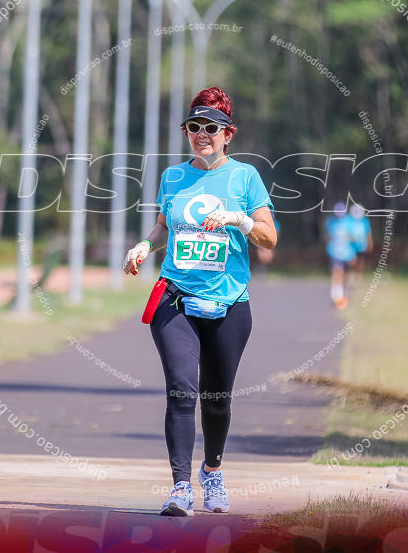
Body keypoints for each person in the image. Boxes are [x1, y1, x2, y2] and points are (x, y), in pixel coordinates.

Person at [123, 87, 277, 516]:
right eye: (194, 127)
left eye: (211, 127)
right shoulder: (173, 177)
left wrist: (238, 218)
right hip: (176, 296)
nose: (202, 134)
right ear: (186, 132)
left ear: (228, 134)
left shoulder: (245, 177)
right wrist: (143, 246)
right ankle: (179, 487)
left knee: (217, 398)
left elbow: (269, 238)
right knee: (180, 389)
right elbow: (162, 228)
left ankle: (212, 471)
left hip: (229, 303)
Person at [324, 202, 355, 309]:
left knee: (345, 275)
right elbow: (327, 236)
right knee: (337, 272)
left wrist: (354, 254)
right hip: (334, 252)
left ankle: (343, 294)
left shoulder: (349, 222)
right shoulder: (330, 222)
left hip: (347, 253)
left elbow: (353, 239)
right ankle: (336, 296)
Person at [346, 203, 373, 287]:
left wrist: (370, 243)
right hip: (350, 246)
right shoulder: (348, 220)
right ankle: (350, 277)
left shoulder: (365, 221)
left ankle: (358, 277)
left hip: (361, 246)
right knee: (351, 262)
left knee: (360, 262)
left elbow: (368, 233)